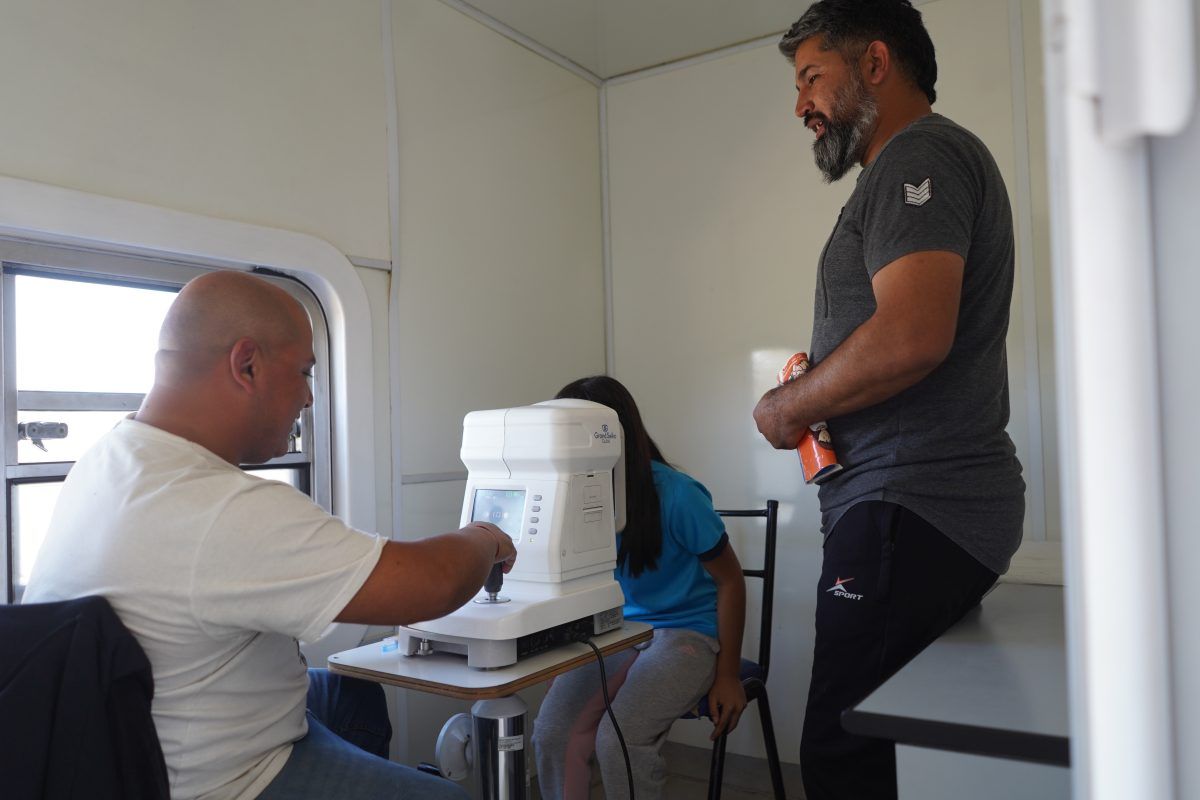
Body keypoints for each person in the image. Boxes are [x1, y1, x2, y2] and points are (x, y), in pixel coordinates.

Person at [23, 270, 516, 800]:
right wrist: (485, 536)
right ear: (247, 365)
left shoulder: (110, 458)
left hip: (121, 744)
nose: (308, 397)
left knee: (354, 697)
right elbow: (431, 584)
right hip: (224, 780)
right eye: (304, 372)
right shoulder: (217, 509)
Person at [752, 2, 1026, 798]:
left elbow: (911, 336)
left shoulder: (922, 155)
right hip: (910, 507)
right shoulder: (903, 171)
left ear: (875, 64)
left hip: (911, 500)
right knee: (887, 751)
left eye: (812, 78)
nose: (800, 104)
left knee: (845, 757)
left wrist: (789, 407)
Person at [532, 376, 747, 800]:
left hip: (687, 634)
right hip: (615, 633)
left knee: (619, 740)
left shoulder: (679, 495)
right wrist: (562, 657)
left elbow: (731, 581)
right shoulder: (574, 495)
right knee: (551, 732)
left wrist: (728, 675)